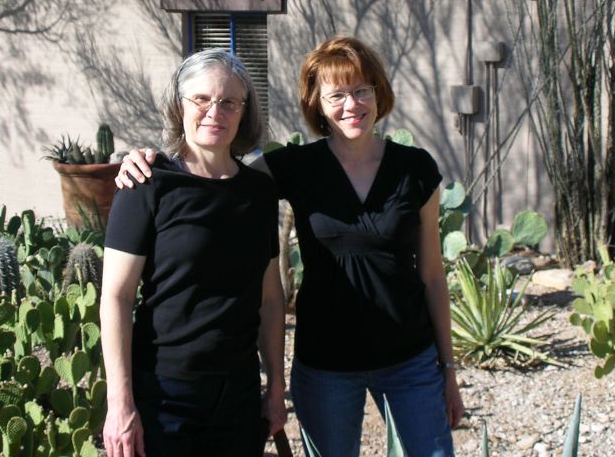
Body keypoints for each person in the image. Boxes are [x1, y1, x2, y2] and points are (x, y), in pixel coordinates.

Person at [117, 36, 464, 457]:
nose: (351, 104)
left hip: (410, 360)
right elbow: (214, 175)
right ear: (317, 103)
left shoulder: (416, 170)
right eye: (336, 94)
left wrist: (447, 367)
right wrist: (148, 159)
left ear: (378, 94)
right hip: (327, 365)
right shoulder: (293, 167)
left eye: (361, 90)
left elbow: (432, 275)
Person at [100, 48, 286, 457]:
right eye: (201, 99)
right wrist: (120, 405)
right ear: (178, 105)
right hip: (165, 394)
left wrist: (275, 386)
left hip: (237, 395)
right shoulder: (147, 185)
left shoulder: (259, 192)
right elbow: (116, 297)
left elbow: (270, 298)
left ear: (244, 112)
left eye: (228, 102)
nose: (214, 112)